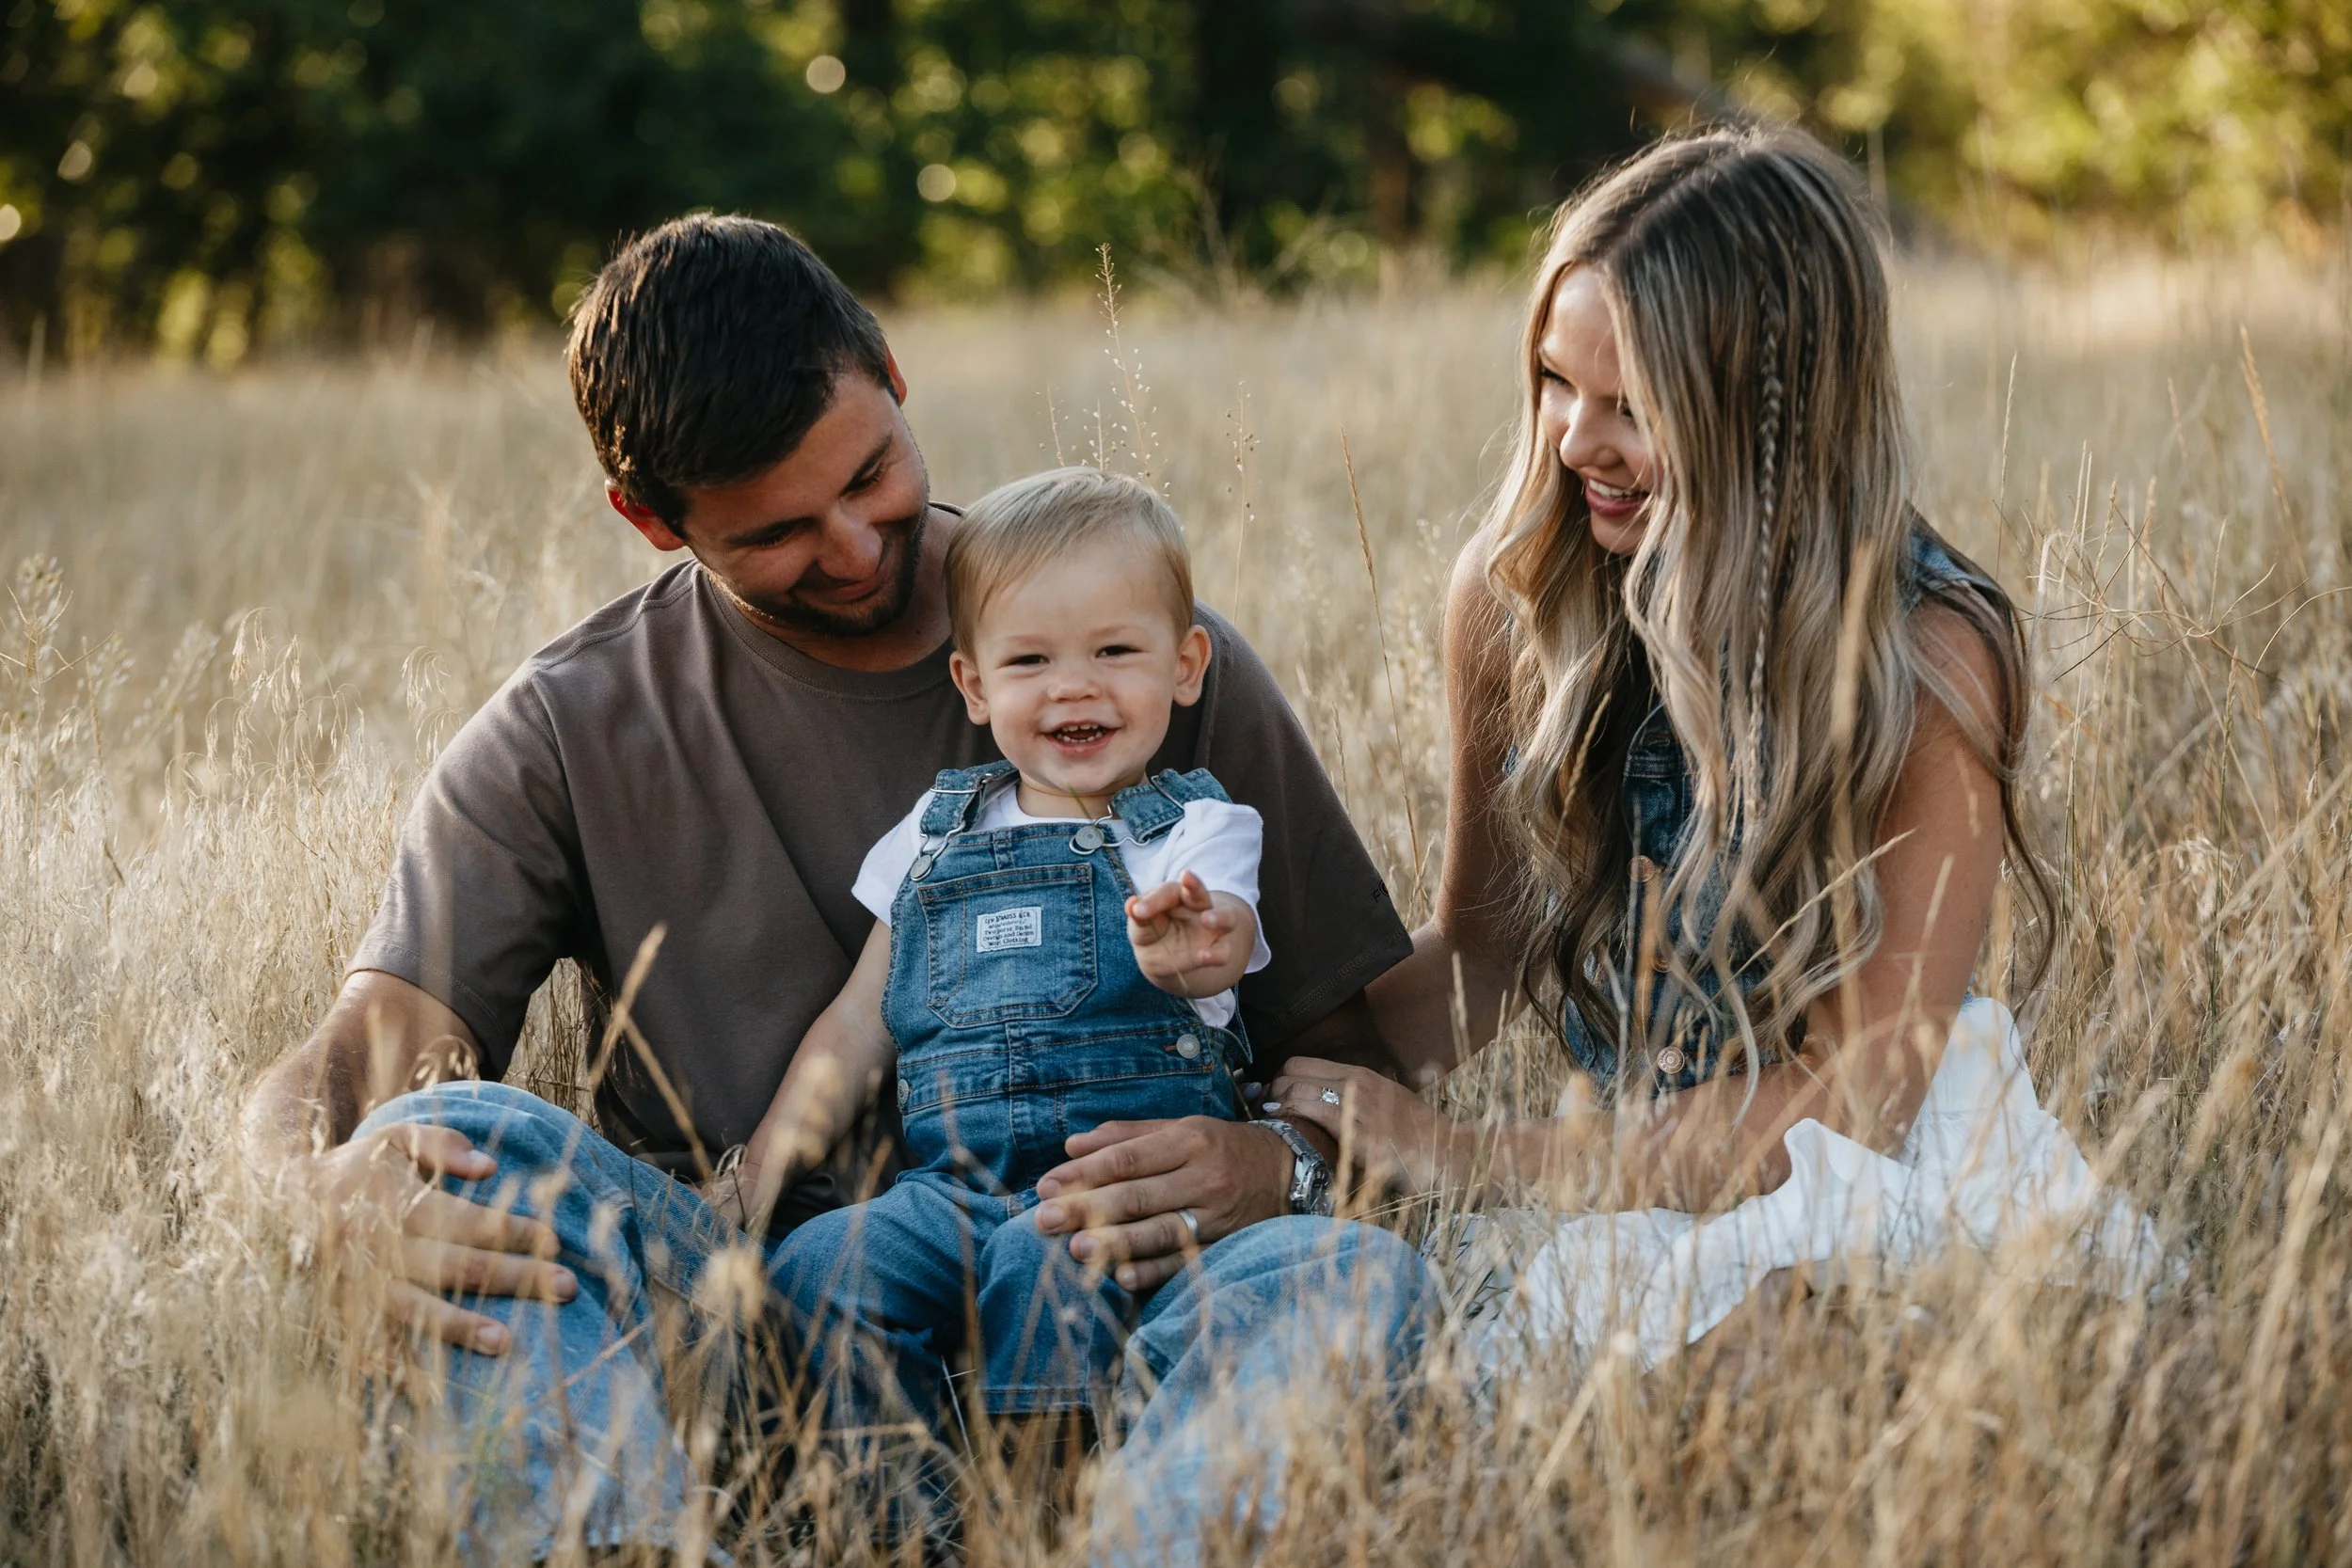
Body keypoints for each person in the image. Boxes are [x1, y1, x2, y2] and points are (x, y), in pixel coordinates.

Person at [237, 215, 1431, 1560]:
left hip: (1130, 1277)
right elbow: (368, 1057)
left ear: (896, 377)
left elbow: (1354, 1058)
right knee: (457, 1135)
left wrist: (1276, 1164)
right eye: (779, 532)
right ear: (651, 521)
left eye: (873, 475)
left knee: (1348, 1276)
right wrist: (309, 1187)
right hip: (759, 1312)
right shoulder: (569, 729)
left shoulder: (1123, 649)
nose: (861, 547)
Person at [1272, 127, 2164, 1365]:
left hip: (1873, 1173)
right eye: (1554, 381)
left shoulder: (1925, 655)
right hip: (1636, 1184)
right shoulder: (1518, 587)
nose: (1578, 440)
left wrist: (1470, 1156)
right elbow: (1483, 952)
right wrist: (1260, 1088)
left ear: (1777, 409)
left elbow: (1858, 1099)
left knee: (1806, 1362)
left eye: (1632, 405)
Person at [738, 466, 1275, 1443]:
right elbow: (860, 1020)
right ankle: (903, 1517)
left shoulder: (1194, 831)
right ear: (975, 684)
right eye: (1029, 660)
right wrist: (765, 1165)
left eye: (1116, 649)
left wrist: (1190, 951)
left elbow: (1219, 943)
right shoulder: (931, 835)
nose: (1075, 684)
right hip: (948, 1194)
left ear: (1185, 664)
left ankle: (1038, 1507)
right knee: (821, 1264)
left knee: (1045, 1260)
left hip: (1115, 1190)